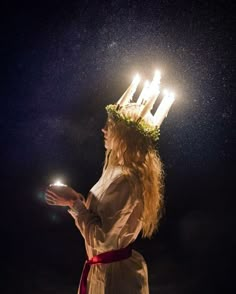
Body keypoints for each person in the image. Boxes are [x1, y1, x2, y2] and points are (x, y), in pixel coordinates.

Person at [45, 73, 173, 294]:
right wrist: (76, 201)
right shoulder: (115, 169)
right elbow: (101, 224)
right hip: (104, 272)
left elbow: (103, 240)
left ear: (126, 137)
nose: (103, 130)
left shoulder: (127, 180)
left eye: (111, 126)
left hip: (116, 281)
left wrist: (74, 204)